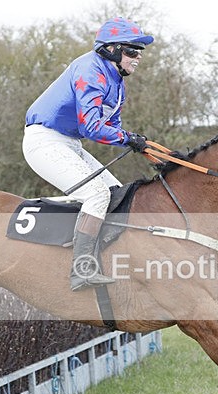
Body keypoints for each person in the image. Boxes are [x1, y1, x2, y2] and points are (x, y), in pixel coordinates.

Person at [23, 17, 153, 290]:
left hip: (69, 142)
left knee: (116, 193)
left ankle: (103, 257)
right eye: (132, 51)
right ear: (111, 49)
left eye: (139, 51)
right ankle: (81, 270)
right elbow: (92, 126)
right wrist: (128, 139)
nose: (137, 57)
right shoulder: (90, 70)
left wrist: (139, 144)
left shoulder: (117, 83)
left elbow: (112, 127)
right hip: (44, 140)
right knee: (97, 194)